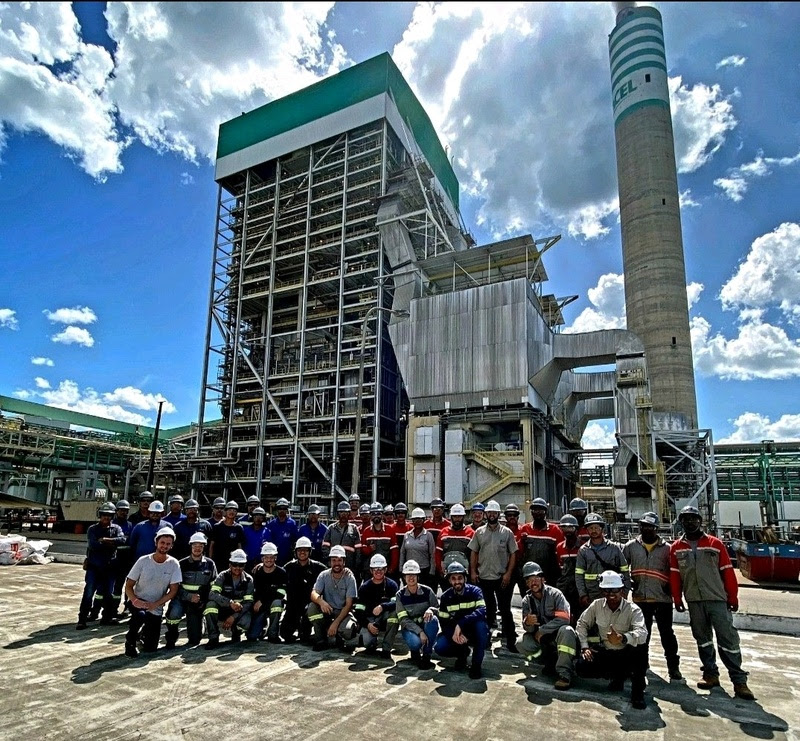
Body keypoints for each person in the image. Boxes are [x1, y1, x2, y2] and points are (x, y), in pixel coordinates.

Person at [670, 505, 755, 700]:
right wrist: (677, 597)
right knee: (703, 639)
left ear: (700, 521)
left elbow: (727, 571)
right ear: (681, 522)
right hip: (694, 600)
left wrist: (732, 597)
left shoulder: (715, 544)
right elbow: (675, 575)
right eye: (685, 519)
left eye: (693, 518)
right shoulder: (676, 547)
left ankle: (739, 681)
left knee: (728, 640)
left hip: (717, 599)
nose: (689, 522)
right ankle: (710, 674)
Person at [575, 570, 649, 709]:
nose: (611, 595)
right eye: (606, 591)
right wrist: (585, 647)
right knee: (582, 667)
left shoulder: (633, 610)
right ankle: (617, 676)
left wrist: (623, 638)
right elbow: (581, 624)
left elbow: (642, 633)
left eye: (615, 591)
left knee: (641, 650)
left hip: (626, 653)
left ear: (621, 590)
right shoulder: (596, 605)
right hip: (607, 652)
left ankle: (637, 693)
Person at [623, 511, 682, 680]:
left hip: (662, 599)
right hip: (640, 599)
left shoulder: (667, 549)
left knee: (667, 635)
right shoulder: (631, 547)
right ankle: (642, 664)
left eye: (651, 526)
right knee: (642, 634)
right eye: (644, 526)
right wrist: (629, 585)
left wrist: (674, 592)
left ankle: (673, 667)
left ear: (657, 528)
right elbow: (622, 568)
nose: (647, 529)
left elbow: (676, 573)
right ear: (640, 526)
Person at [516, 561, 579, 691]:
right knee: (521, 643)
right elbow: (528, 630)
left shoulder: (555, 594)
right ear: (526, 583)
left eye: (536, 578)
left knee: (567, 630)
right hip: (543, 641)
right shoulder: (526, 601)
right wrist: (527, 623)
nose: (533, 582)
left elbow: (564, 618)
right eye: (530, 580)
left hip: (558, 637)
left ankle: (565, 673)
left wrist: (543, 630)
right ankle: (549, 661)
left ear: (543, 579)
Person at [124, 527, 182, 658]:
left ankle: (143, 633)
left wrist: (156, 604)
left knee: (151, 648)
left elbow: (173, 591)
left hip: (156, 606)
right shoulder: (143, 561)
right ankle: (130, 640)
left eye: (168, 544)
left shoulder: (174, 564)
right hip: (138, 602)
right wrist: (135, 600)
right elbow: (129, 586)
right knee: (139, 616)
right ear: (156, 542)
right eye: (162, 542)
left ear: (171, 546)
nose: (164, 546)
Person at [468, 499, 518, 652]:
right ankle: (485, 639)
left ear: (498, 514)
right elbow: (474, 552)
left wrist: (508, 574)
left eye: (494, 513)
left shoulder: (507, 533)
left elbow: (513, 554)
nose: (491, 515)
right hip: (484, 578)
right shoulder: (479, 532)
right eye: (489, 512)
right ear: (486, 514)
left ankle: (511, 641)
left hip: (501, 578)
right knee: (488, 611)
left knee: (505, 610)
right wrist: (473, 571)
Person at [434, 561, 489, 679]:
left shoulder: (475, 591)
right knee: (440, 647)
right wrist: (454, 635)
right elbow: (444, 623)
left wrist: (461, 623)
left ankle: (476, 665)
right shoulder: (445, 597)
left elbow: (482, 611)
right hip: (457, 633)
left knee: (481, 627)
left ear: (465, 578)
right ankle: (462, 654)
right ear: (449, 580)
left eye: (460, 578)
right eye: (453, 578)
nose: (457, 581)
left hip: (474, 632)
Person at [77, 503, 127, 629]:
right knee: (89, 593)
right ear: (100, 515)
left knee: (109, 594)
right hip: (94, 567)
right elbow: (94, 545)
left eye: (109, 515)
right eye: (104, 515)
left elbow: (122, 540)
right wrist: (111, 543)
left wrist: (105, 540)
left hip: (110, 567)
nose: (106, 518)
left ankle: (106, 618)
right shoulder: (92, 529)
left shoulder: (116, 529)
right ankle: (82, 619)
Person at [164, 532, 217, 648]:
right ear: (190, 546)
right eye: (195, 546)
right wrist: (189, 596)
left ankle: (200, 624)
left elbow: (213, 585)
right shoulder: (181, 564)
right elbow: (175, 586)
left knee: (194, 640)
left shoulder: (210, 564)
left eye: (200, 546)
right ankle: (171, 636)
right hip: (181, 599)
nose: (197, 549)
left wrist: (202, 598)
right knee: (174, 614)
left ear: (204, 547)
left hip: (198, 601)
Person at [308, 545, 359, 652]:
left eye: (340, 560)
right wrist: (321, 602)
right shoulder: (323, 575)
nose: (336, 563)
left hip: (343, 613)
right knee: (312, 607)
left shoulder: (349, 577)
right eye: (334, 560)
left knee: (348, 630)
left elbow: (349, 604)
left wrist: (335, 623)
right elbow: (314, 593)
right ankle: (320, 639)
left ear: (344, 562)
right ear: (330, 562)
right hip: (328, 611)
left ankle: (337, 636)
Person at [575, 512, 629, 609]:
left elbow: (624, 570)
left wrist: (625, 591)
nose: (593, 531)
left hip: (611, 593)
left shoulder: (614, 548)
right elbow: (579, 575)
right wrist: (583, 594)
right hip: (592, 594)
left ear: (602, 529)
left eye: (596, 528)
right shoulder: (583, 551)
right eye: (591, 528)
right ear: (587, 530)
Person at [204, 548, 254, 649]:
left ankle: (237, 631)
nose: (237, 567)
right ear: (230, 564)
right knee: (210, 606)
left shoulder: (248, 580)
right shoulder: (222, 576)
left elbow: (248, 603)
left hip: (238, 611)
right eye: (235, 564)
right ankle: (213, 638)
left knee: (247, 621)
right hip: (223, 609)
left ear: (244, 566)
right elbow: (212, 594)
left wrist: (233, 617)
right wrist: (230, 603)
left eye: (241, 565)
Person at [281, 536, 326, 644]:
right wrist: (261, 565)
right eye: (300, 550)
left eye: (305, 550)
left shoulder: (318, 568)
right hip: (293, 607)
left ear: (310, 552)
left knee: (304, 637)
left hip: (309, 607)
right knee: (285, 634)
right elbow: (276, 573)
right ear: (295, 552)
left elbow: (332, 573)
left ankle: (309, 631)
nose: (302, 552)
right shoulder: (289, 567)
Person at [395, 559, 439, 669]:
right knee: (415, 643)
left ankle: (426, 655)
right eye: (408, 575)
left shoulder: (428, 591)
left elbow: (439, 609)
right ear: (404, 577)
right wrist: (419, 632)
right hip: (410, 629)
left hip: (426, 625)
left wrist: (431, 610)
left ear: (418, 576)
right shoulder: (400, 595)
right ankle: (415, 651)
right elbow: (403, 619)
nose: (411, 578)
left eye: (414, 575)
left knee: (433, 620)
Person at [355, 554, 399, 658]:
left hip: (385, 618)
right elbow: (358, 611)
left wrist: (382, 607)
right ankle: (370, 641)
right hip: (370, 620)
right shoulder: (364, 588)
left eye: (381, 568)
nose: (378, 571)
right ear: (371, 570)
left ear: (386, 569)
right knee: (368, 643)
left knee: (395, 615)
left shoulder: (392, 585)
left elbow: (396, 603)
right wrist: (368, 624)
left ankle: (386, 648)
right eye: (375, 569)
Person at [517, 498, 563, 593]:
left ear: (545, 512)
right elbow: (518, 553)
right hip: (528, 577)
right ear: (531, 512)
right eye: (535, 510)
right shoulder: (524, 529)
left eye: (540, 510)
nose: (537, 513)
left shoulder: (555, 530)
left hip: (549, 578)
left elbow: (561, 554)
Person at [248, 542, 288, 643]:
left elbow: (281, 593)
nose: (269, 560)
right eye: (266, 557)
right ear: (262, 559)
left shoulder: (281, 573)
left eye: (271, 557)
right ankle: (262, 628)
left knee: (277, 603)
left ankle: (273, 634)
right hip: (259, 607)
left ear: (275, 558)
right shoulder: (256, 572)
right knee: (252, 637)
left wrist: (262, 601)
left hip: (271, 604)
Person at [435, 503, 474, 590]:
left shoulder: (470, 533)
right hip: (447, 574)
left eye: (459, 516)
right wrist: (440, 569)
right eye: (455, 516)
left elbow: (474, 554)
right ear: (451, 517)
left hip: (464, 574)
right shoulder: (443, 532)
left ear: (463, 517)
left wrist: (472, 572)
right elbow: (438, 553)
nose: (457, 519)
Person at [108, 499, 135, 621]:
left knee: (129, 586)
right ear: (116, 511)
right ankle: (112, 610)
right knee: (116, 587)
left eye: (126, 511)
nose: (124, 513)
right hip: (115, 560)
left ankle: (127, 607)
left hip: (127, 560)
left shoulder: (130, 525)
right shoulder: (111, 524)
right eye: (121, 510)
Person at [398, 508, 435, 590]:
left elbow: (432, 554)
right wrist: (401, 569)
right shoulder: (407, 535)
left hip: (424, 571)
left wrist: (432, 572)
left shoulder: (428, 535)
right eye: (415, 520)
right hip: (409, 570)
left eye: (420, 519)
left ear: (424, 520)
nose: (417, 522)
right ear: (412, 521)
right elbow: (402, 553)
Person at [555, 514, 582, 623]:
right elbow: (559, 567)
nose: (568, 531)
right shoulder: (559, 547)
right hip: (564, 589)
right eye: (564, 528)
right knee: (563, 615)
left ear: (576, 529)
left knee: (580, 616)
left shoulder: (583, 547)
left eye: (571, 528)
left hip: (579, 589)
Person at [322, 500, 362, 572]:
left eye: (346, 512)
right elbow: (325, 546)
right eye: (341, 512)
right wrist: (329, 562)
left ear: (349, 514)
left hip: (349, 566)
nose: (343, 515)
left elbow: (358, 549)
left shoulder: (354, 528)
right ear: (338, 514)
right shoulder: (331, 528)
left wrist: (357, 565)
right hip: (334, 566)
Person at [208, 501, 246, 573]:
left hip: (232, 562)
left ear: (236, 513)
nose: (232, 512)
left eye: (234, 510)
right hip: (218, 561)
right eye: (229, 510)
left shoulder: (238, 528)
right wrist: (210, 560)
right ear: (225, 512)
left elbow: (239, 546)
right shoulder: (217, 527)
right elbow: (211, 545)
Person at [266, 498, 299, 566]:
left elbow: (295, 541)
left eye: (284, 508)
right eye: (280, 508)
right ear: (277, 510)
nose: (282, 510)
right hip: (274, 558)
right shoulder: (271, 524)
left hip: (288, 558)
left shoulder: (292, 524)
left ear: (287, 510)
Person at [242, 506, 270, 571]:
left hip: (262, 563)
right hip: (247, 562)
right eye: (256, 516)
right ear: (252, 517)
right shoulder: (246, 531)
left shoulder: (267, 532)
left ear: (264, 518)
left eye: (260, 516)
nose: (258, 518)